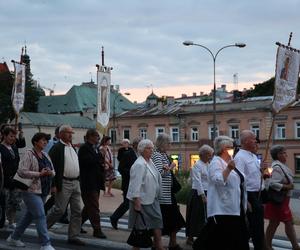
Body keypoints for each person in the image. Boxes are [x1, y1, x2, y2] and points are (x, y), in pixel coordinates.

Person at [7, 132, 55, 250]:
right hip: (30, 189)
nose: (45, 142)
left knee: (29, 216)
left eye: (46, 141)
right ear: (35, 142)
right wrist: (39, 173)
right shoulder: (29, 154)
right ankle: (45, 244)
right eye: (43, 140)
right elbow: (21, 171)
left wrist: (50, 172)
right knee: (40, 215)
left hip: (43, 190)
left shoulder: (45, 155)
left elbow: (54, 171)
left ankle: (14, 237)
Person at [204, 136, 249, 250]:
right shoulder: (216, 162)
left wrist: (245, 200)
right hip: (223, 209)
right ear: (224, 149)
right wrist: (228, 169)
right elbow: (218, 180)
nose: (233, 149)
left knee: (238, 238)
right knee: (225, 240)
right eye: (231, 147)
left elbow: (240, 182)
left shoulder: (230, 161)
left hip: (235, 207)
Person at [46, 125, 85, 246]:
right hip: (63, 182)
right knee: (59, 210)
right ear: (61, 133)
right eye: (68, 133)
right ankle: (43, 228)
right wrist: (53, 185)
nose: (70, 135)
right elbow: (50, 166)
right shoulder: (57, 147)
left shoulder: (71, 146)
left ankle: (73, 236)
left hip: (75, 182)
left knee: (77, 211)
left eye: (71, 133)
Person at [127, 139, 164, 250]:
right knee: (140, 228)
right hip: (142, 200)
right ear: (142, 150)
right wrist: (137, 201)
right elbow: (135, 184)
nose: (151, 150)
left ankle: (158, 245)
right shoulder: (139, 164)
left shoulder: (149, 162)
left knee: (157, 222)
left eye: (152, 148)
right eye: (149, 148)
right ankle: (144, 247)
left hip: (152, 198)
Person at [151, 133, 185, 250]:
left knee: (173, 220)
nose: (170, 145)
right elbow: (159, 173)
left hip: (168, 193)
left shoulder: (164, 154)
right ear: (162, 143)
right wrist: (171, 167)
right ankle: (160, 245)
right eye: (168, 143)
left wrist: (169, 167)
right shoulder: (157, 156)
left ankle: (171, 243)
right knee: (166, 220)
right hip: (162, 195)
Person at [235, 130, 267, 250]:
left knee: (258, 225)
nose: (256, 141)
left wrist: (261, 170)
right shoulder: (240, 157)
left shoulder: (253, 155)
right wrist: (245, 200)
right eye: (254, 139)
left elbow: (252, 176)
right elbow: (238, 180)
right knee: (255, 226)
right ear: (247, 141)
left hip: (258, 194)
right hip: (249, 195)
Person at [264, 145, 300, 250]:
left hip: (282, 200)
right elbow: (272, 183)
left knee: (274, 223)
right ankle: (295, 246)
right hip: (279, 201)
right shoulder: (277, 167)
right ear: (278, 155)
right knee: (287, 222)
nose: (286, 155)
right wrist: (286, 186)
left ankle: (267, 245)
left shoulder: (279, 166)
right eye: (284, 153)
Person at [78, 129, 106, 238]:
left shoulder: (94, 148)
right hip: (88, 183)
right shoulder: (84, 148)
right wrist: (100, 155)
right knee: (94, 207)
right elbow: (87, 162)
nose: (98, 138)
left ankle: (77, 224)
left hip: (95, 182)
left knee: (89, 206)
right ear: (90, 137)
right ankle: (97, 229)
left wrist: (102, 164)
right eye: (96, 136)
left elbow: (96, 162)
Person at [185, 144, 214, 245]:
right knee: (195, 216)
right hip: (198, 193)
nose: (210, 157)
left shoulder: (208, 164)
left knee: (204, 216)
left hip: (207, 191)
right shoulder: (197, 165)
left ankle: (203, 237)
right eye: (209, 155)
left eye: (211, 155)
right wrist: (202, 195)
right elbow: (197, 181)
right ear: (203, 154)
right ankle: (190, 237)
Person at [110, 137, 141, 230]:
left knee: (136, 204)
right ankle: (114, 218)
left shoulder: (140, 155)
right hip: (128, 183)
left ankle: (138, 226)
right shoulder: (128, 154)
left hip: (137, 184)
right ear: (135, 145)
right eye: (140, 144)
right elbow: (121, 168)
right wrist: (132, 173)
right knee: (127, 204)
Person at [0, 127, 21, 229]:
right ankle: (2, 219)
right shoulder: (0, 148)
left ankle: (11, 221)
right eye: (11, 136)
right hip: (4, 179)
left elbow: (17, 161)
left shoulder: (14, 147)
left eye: (14, 136)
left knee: (14, 201)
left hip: (15, 179)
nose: (13, 138)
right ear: (4, 136)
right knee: (4, 200)